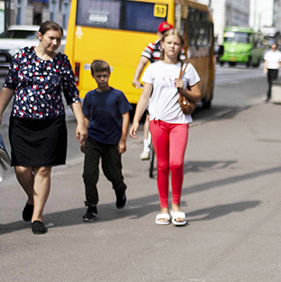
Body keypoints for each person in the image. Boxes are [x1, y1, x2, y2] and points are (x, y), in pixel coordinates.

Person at [0, 21, 87, 235]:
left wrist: (81, 122)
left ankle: (37, 216)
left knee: (43, 169)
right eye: (51, 38)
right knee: (21, 169)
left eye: (58, 39)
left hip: (51, 123)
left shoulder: (62, 62)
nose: (55, 42)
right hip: (22, 122)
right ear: (40, 36)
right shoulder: (22, 57)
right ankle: (31, 198)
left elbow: (72, 94)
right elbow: (8, 87)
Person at [129, 31, 201, 227]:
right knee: (162, 166)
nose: (172, 47)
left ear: (181, 47)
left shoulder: (187, 69)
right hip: (158, 122)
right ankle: (163, 208)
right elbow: (145, 96)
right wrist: (136, 121)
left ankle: (176, 206)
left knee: (176, 164)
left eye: (176, 43)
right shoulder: (153, 68)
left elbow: (198, 95)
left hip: (179, 123)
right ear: (162, 44)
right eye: (169, 43)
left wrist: (183, 89)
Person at [80, 59, 130, 222]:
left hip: (112, 140)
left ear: (109, 74)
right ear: (93, 76)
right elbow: (86, 117)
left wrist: (123, 139)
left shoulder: (117, 95)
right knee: (89, 174)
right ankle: (91, 206)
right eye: (99, 76)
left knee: (113, 173)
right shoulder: (90, 96)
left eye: (105, 75)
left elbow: (125, 115)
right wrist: (83, 136)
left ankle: (120, 189)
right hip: (93, 139)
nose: (102, 79)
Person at [132, 22, 179, 161]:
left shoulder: (175, 48)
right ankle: (146, 147)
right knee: (149, 116)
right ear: (158, 34)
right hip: (154, 84)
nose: (165, 37)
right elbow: (142, 62)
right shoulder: (152, 47)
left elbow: (181, 67)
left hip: (169, 86)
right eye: (163, 34)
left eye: (167, 34)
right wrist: (136, 78)